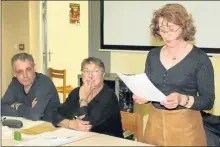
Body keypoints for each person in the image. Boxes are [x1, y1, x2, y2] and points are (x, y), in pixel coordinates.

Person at [132, 3, 215, 146]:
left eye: (171, 30)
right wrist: (143, 96)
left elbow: (208, 101)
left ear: (184, 27)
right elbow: (149, 88)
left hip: (186, 129)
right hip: (154, 126)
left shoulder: (200, 59)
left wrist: (182, 99)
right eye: (162, 30)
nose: (166, 35)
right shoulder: (153, 55)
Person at [52, 57, 123, 138]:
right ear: (82, 75)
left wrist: (83, 99)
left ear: (103, 75)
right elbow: (55, 115)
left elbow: (86, 125)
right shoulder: (75, 92)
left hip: (107, 142)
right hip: (79, 139)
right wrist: (69, 123)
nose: (90, 76)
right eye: (86, 71)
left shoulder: (109, 97)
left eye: (95, 71)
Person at [1, 53, 60, 122]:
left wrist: (16, 105)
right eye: (20, 72)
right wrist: (29, 108)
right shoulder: (15, 83)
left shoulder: (44, 82)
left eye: (28, 69)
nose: (25, 75)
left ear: (34, 68)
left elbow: (35, 115)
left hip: (52, 127)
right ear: (14, 73)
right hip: (28, 126)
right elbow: (1, 108)